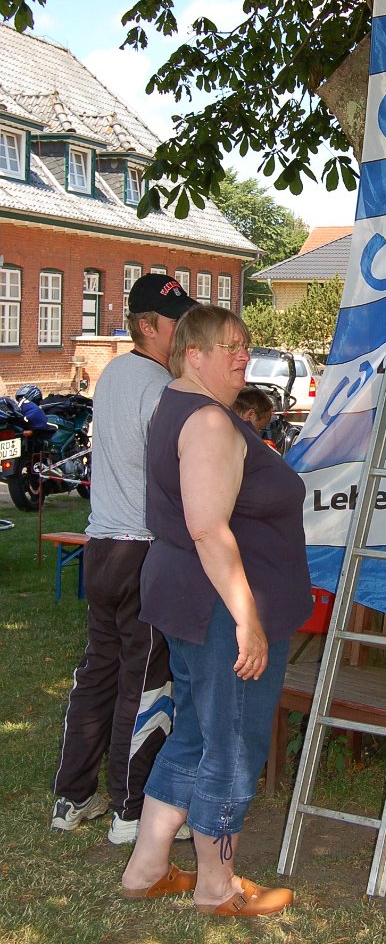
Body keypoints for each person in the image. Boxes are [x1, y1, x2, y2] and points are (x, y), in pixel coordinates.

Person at [120, 305, 312, 917]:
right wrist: (246, 618)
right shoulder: (206, 420)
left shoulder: (182, 408)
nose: (241, 355)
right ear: (191, 354)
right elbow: (208, 528)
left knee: (198, 733)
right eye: (227, 345)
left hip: (191, 603)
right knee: (231, 745)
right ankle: (216, 886)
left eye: (244, 344)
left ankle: (147, 868)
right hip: (220, 610)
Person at [52, 274, 198, 843]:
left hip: (103, 547)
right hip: (141, 549)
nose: (184, 331)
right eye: (176, 322)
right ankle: (132, 809)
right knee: (144, 680)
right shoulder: (162, 387)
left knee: (99, 670)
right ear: (145, 326)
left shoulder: (114, 375)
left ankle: (73, 795)